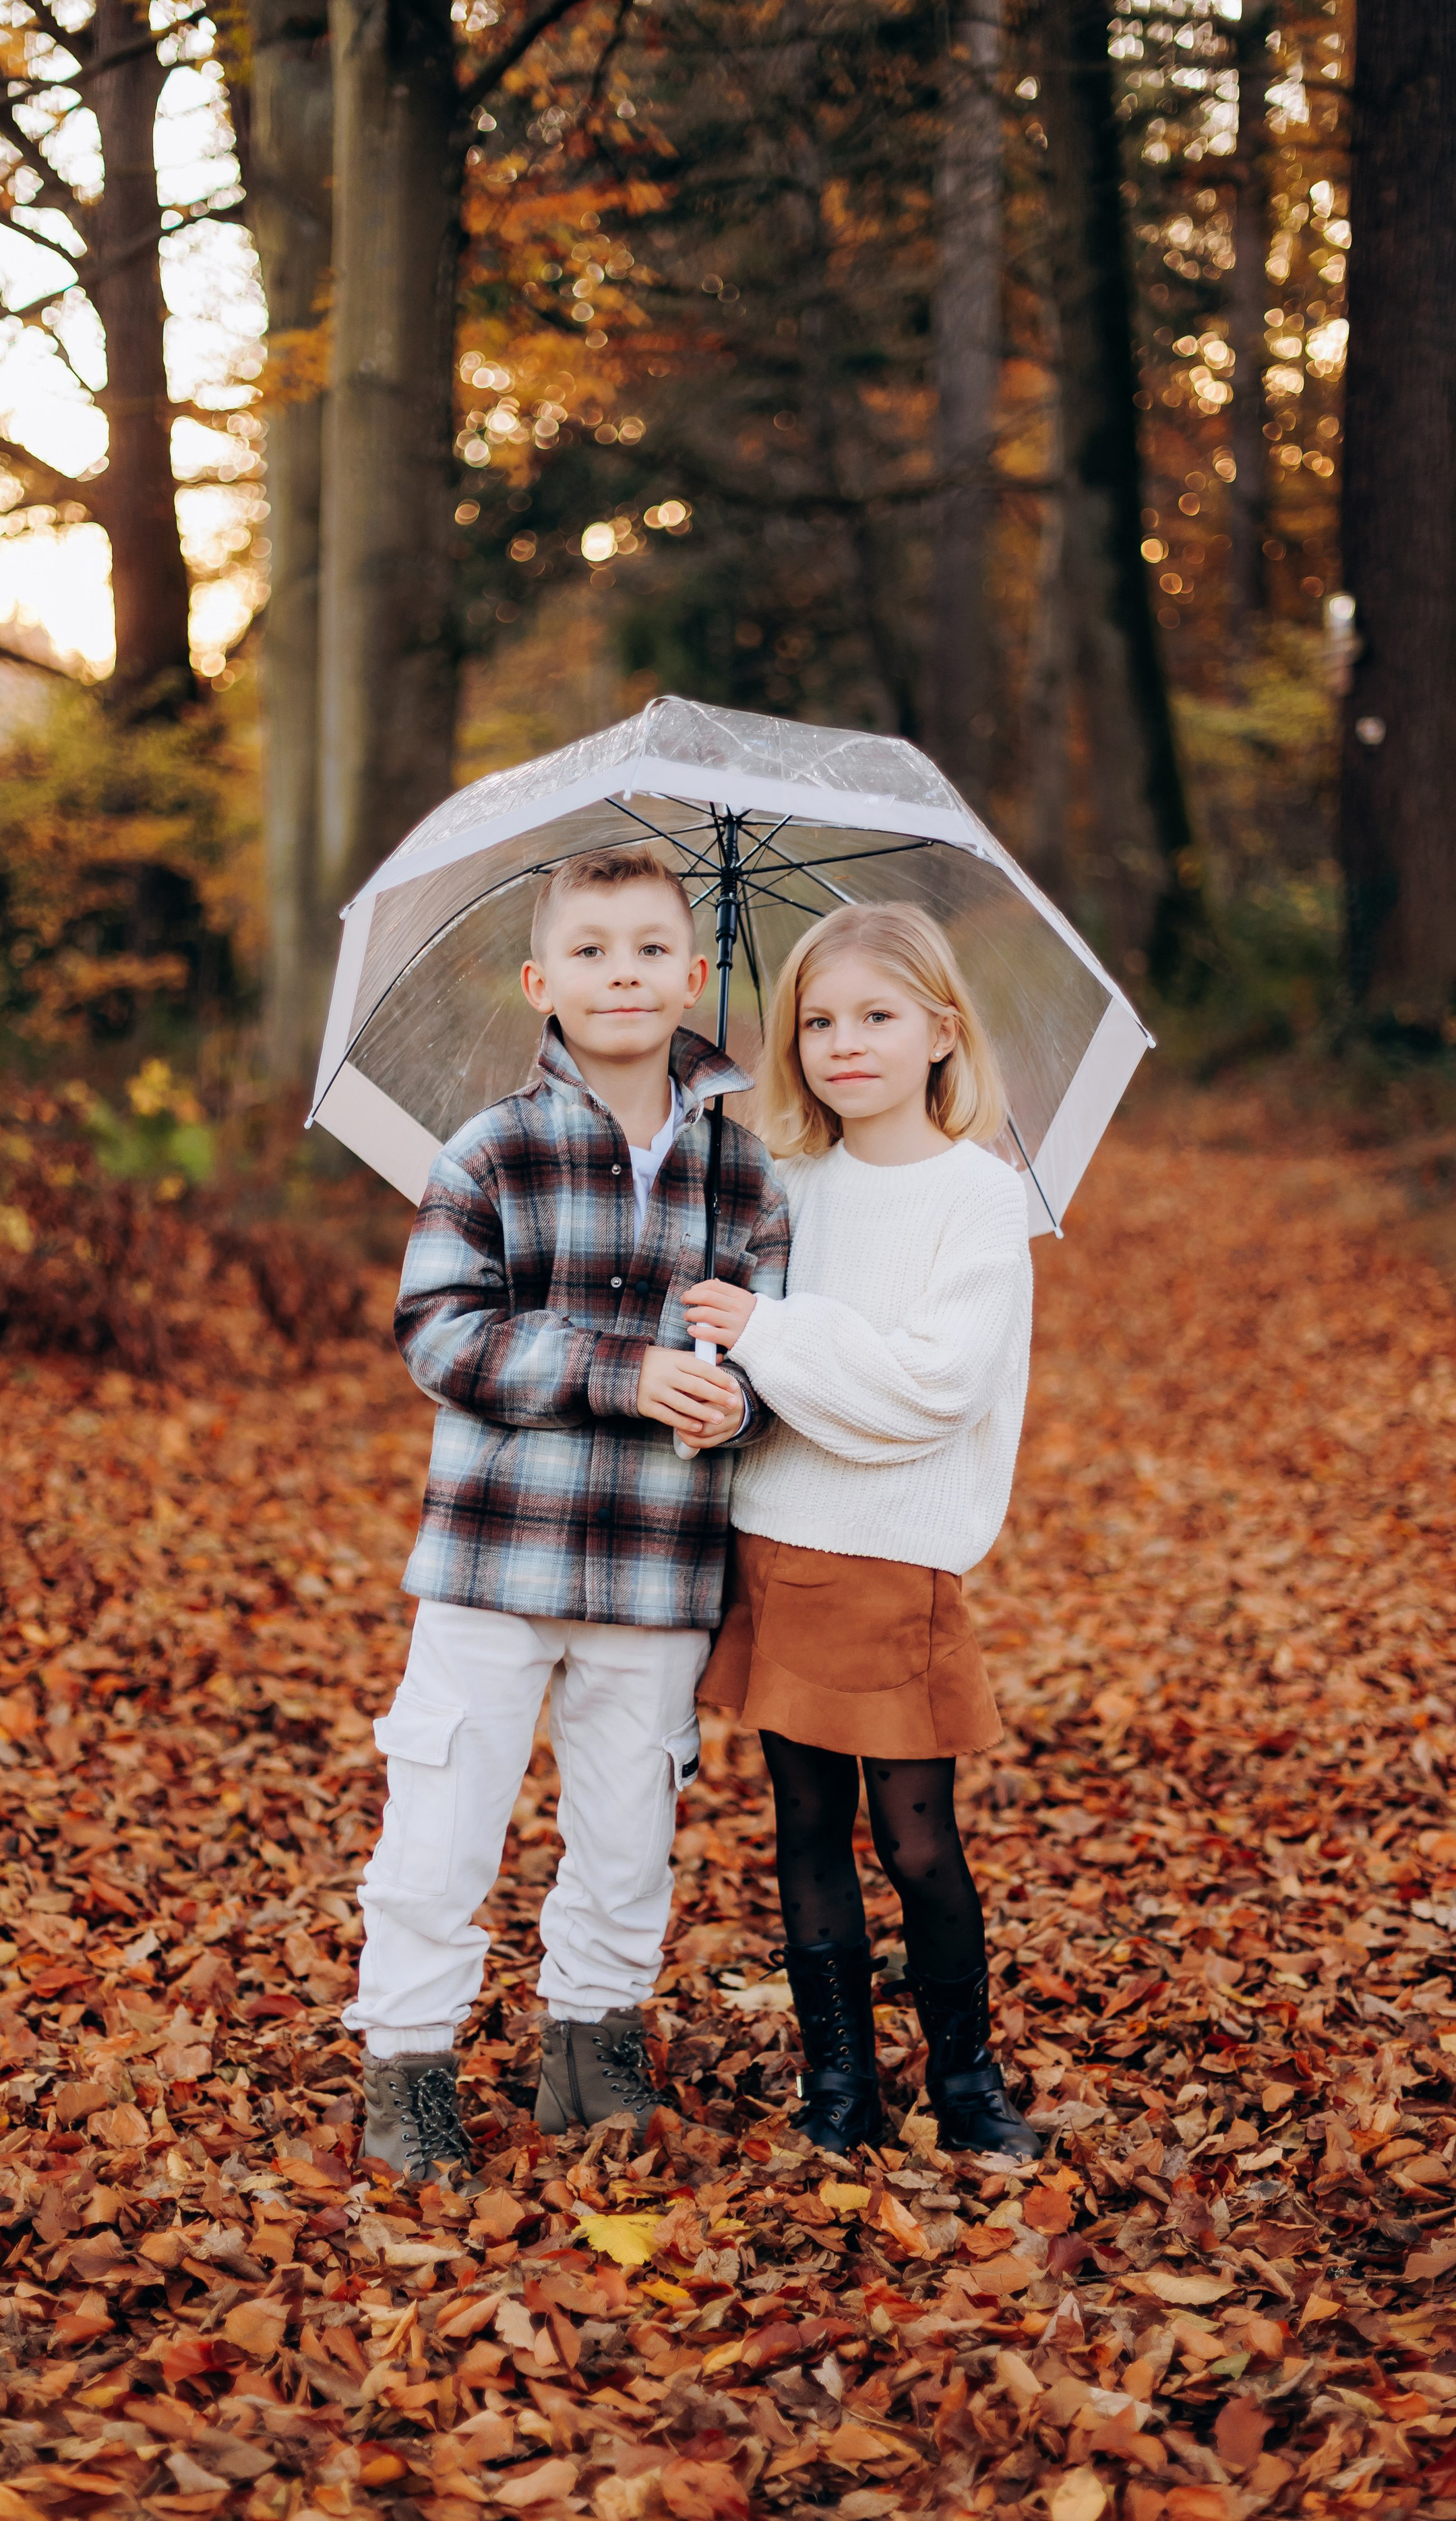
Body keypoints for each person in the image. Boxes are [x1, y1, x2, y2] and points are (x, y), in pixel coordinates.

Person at [346, 845, 789, 2180]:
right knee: (441, 1819)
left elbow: (779, 1344)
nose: (621, 974)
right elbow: (438, 1335)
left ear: (694, 976)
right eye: (591, 952)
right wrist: (619, 1373)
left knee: (626, 1826)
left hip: (657, 1569)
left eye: (649, 949)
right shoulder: (487, 1150)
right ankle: (407, 2074)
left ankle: (592, 2057)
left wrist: (741, 1402)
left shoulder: (745, 1174)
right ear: (541, 982)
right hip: (494, 1556)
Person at [684, 901, 1039, 2162]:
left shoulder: (978, 1202)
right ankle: (839, 2085)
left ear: (941, 1032)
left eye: (877, 1017)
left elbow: (928, 1393)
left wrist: (774, 1335)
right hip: (777, 1542)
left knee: (915, 1836)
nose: (846, 1043)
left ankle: (966, 2076)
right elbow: (753, 1391)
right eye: (819, 1021)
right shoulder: (779, 1187)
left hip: (892, 1562)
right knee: (801, 1827)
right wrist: (720, 1384)